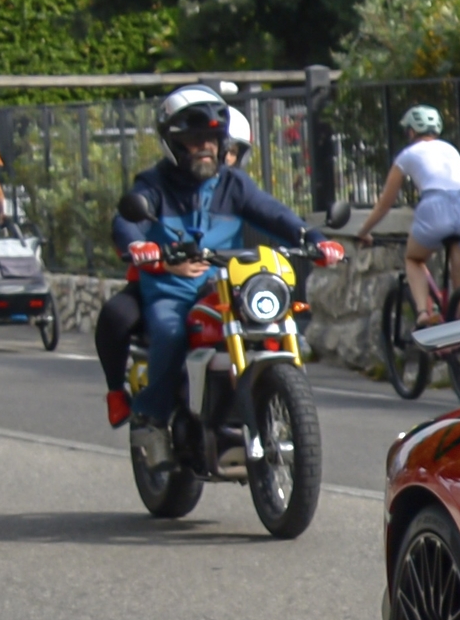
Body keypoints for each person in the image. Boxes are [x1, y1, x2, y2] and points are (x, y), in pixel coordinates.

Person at [107, 86, 317, 444]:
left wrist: (312, 236)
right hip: (171, 292)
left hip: (222, 286)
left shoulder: (234, 183)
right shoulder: (153, 184)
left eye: (213, 138)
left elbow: (274, 213)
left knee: (274, 325)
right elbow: (126, 221)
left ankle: (263, 404)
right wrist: (138, 245)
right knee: (171, 334)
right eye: (195, 138)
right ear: (173, 144)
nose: (206, 146)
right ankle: (155, 416)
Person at [355, 106, 460, 327]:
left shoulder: (407, 155)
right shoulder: (450, 149)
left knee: (414, 259)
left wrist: (363, 231)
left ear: (412, 132)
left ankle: (424, 313)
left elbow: (385, 204)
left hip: (435, 207)